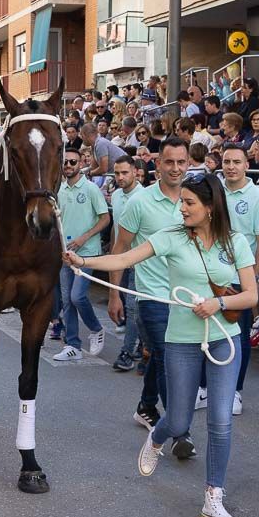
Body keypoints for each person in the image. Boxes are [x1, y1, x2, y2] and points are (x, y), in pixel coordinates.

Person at [64, 171, 257, 517]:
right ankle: (157, 437)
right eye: (181, 201)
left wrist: (216, 303)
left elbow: (250, 295)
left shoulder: (235, 243)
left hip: (223, 337)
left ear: (210, 208)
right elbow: (123, 259)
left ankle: (213, 497)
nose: (180, 208)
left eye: (188, 203)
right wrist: (84, 263)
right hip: (182, 339)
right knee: (180, 419)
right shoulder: (171, 237)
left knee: (220, 420)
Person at [109, 138, 190, 445]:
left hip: (186, 298)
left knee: (160, 355)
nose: (175, 168)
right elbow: (120, 249)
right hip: (152, 297)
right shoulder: (139, 203)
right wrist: (116, 294)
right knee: (171, 359)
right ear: (157, 165)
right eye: (169, 162)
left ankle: (146, 405)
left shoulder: (194, 199)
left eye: (181, 162)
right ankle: (180, 431)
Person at [220, 143, 259, 415]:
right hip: (213, 275)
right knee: (212, 334)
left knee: (239, 338)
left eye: (236, 162)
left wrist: (254, 276)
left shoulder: (257, 197)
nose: (231, 166)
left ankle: (236, 391)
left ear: (246, 165)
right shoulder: (215, 191)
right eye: (227, 161)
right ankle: (207, 388)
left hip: (241, 278)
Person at [54, 148, 110, 362]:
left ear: (81, 163)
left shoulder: (90, 189)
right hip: (65, 253)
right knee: (67, 300)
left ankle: (96, 328)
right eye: (65, 162)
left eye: (73, 162)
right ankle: (73, 345)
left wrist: (84, 238)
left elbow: (105, 218)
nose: (68, 165)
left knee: (77, 296)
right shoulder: (58, 189)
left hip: (87, 253)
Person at [109, 156, 143, 372]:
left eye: (125, 173)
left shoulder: (143, 196)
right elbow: (115, 229)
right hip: (121, 259)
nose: (120, 177)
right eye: (117, 173)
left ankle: (128, 351)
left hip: (140, 261)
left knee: (132, 307)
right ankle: (140, 346)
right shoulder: (115, 195)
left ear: (135, 172)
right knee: (133, 309)